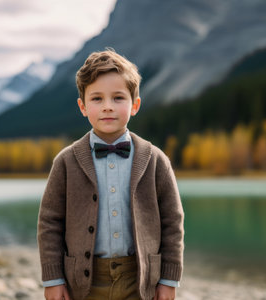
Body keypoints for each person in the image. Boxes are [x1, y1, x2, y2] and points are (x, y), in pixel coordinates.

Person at [38, 49, 184, 300]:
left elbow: (172, 222)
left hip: (139, 279)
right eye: (97, 99)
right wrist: (53, 278)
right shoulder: (66, 162)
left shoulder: (155, 160)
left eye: (118, 98)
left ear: (135, 105)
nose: (107, 107)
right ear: (82, 106)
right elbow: (50, 223)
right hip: (84, 281)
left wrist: (169, 279)